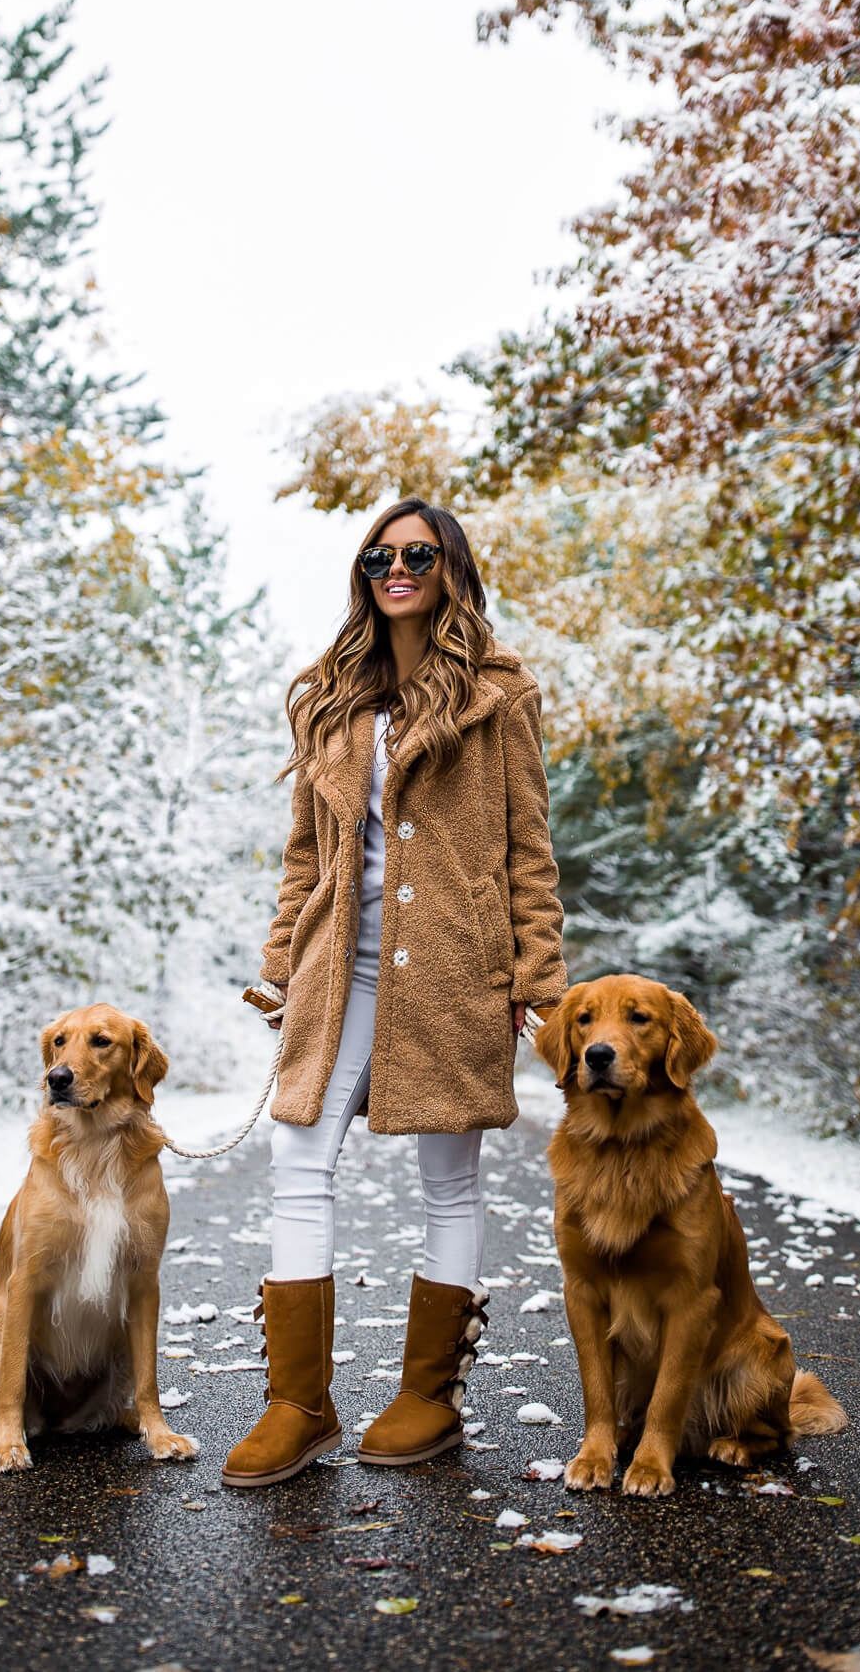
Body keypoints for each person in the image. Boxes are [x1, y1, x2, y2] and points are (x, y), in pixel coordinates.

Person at [221, 497, 567, 1487]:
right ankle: (299, 1404)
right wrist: (281, 964)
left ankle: (428, 1396)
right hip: (341, 967)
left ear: (450, 568)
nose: (396, 567)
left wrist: (536, 978)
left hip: (459, 967)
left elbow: (528, 849)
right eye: (379, 554)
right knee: (297, 1155)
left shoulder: (498, 698)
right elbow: (305, 855)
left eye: (417, 553)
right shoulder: (330, 700)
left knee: (447, 1180)